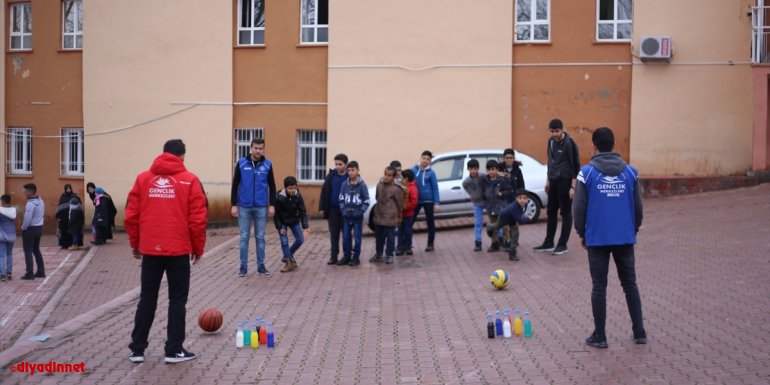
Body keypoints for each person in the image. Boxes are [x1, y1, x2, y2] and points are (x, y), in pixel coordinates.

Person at [126, 139, 207, 364]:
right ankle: (173, 350)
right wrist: (197, 248)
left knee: (147, 298)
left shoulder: (143, 179)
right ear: (182, 156)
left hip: (151, 250)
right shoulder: (190, 180)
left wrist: (136, 244)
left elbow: (131, 216)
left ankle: (137, 349)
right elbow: (198, 220)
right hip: (178, 250)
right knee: (177, 300)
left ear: (163, 154)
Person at [573, 127, 646, 348]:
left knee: (599, 286)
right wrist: (633, 229)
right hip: (624, 237)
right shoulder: (631, 172)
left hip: (597, 238)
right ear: (614, 144)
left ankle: (600, 335)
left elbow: (579, 207)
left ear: (594, 146)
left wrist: (581, 232)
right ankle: (639, 332)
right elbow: (638, 207)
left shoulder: (586, 174)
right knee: (630, 284)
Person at [534, 118, 580, 255]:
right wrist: (548, 180)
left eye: (557, 131)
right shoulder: (551, 141)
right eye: (552, 131)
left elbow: (576, 166)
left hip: (565, 181)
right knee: (551, 211)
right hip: (553, 180)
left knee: (565, 213)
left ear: (562, 129)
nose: (554, 134)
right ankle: (549, 242)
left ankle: (562, 244)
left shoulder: (570, 144)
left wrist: (572, 187)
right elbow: (550, 161)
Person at [231, 138, 276, 277]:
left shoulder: (267, 164)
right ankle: (243, 267)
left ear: (263, 149)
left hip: (261, 206)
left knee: (260, 237)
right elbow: (235, 184)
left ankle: (261, 266)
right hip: (244, 205)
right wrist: (233, 204)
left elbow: (272, 186)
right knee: (244, 237)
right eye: (255, 148)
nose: (258, 151)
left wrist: (272, 205)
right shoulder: (241, 163)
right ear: (251, 148)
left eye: (260, 148)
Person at [486, 189, 534, 261]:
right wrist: (528, 218)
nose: (522, 200)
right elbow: (520, 220)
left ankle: (512, 253)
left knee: (515, 234)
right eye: (520, 198)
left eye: (524, 198)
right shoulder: (514, 207)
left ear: (527, 199)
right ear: (516, 198)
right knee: (497, 226)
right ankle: (489, 226)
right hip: (504, 217)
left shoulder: (525, 204)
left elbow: (520, 215)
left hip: (513, 218)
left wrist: (517, 221)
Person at [274, 176, 310, 273]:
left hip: (294, 220)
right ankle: (288, 262)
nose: (292, 190)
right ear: (285, 188)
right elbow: (276, 214)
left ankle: (287, 256)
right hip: (282, 221)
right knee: (284, 241)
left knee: (300, 239)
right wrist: (280, 227)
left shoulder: (298, 196)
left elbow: (302, 211)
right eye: (290, 188)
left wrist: (305, 227)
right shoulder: (279, 197)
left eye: (294, 188)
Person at [338, 161, 369, 266]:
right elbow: (341, 199)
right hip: (346, 217)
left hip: (357, 217)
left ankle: (356, 258)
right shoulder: (344, 185)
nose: (351, 172)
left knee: (357, 237)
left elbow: (367, 201)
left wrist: (360, 211)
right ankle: (346, 256)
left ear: (358, 170)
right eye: (349, 170)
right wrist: (343, 210)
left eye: (353, 170)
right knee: (346, 237)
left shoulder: (362, 186)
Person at [319, 153, 348, 265]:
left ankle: (346, 256)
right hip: (333, 210)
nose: (337, 167)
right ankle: (333, 257)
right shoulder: (331, 176)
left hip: (346, 211)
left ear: (346, 164)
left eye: (340, 164)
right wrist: (322, 206)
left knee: (346, 235)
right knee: (334, 234)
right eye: (336, 164)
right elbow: (324, 191)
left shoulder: (349, 176)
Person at [370, 166, 404, 264]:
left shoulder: (396, 188)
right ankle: (378, 254)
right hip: (379, 215)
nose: (386, 177)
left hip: (390, 217)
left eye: (389, 175)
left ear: (393, 177)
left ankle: (389, 255)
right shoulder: (379, 185)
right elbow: (377, 197)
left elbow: (399, 203)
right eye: (385, 174)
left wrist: (397, 214)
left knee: (390, 237)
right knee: (379, 238)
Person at [411, 150, 439, 252]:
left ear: (430, 161)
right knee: (410, 221)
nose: (425, 161)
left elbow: (435, 188)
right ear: (420, 158)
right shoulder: (413, 170)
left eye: (428, 159)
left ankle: (430, 244)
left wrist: (436, 203)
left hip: (428, 200)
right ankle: (407, 243)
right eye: (424, 158)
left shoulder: (431, 173)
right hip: (416, 201)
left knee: (430, 222)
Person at [480, 160, 506, 252]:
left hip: (501, 207)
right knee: (493, 226)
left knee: (503, 225)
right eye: (489, 169)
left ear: (497, 170)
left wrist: (502, 194)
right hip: (490, 206)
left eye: (493, 169)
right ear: (487, 171)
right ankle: (494, 243)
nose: (491, 171)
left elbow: (507, 191)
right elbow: (482, 192)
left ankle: (506, 242)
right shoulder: (485, 181)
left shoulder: (502, 180)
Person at [20, 183, 45, 280]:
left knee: (28, 251)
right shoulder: (40, 201)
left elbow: (27, 219)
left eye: (25, 191)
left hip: (30, 229)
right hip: (39, 227)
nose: (24, 193)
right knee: (36, 249)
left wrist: (23, 227)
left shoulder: (30, 204)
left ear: (30, 192)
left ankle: (29, 273)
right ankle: (41, 271)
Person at [462, 159, 486, 252]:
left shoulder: (483, 176)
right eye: (471, 169)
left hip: (487, 201)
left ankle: (499, 238)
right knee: (478, 223)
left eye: (475, 169)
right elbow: (464, 186)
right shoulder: (467, 181)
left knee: (495, 218)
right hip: (477, 203)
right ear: (468, 169)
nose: (473, 171)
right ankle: (478, 242)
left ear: (478, 169)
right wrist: (471, 194)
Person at [396, 169, 418, 256]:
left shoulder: (412, 189)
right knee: (400, 231)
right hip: (401, 214)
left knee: (408, 231)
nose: (401, 179)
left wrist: (404, 207)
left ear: (407, 178)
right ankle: (400, 247)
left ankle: (408, 247)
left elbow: (414, 202)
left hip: (408, 214)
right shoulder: (402, 187)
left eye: (402, 178)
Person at [0, 195, 17, 281]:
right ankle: (9, 273)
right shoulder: (14, 210)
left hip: (2, 235)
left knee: (1, 255)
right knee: (9, 253)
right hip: (12, 234)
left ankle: (2, 274)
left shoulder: (0, 210)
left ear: (2, 201)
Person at [56, 184, 77, 249]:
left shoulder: (74, 196)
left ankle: (70, 244)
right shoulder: (63, 196)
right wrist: (58, 216)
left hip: (70, 216)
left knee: (70, 230)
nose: (68, 190)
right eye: (67, 189)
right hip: (63, 217)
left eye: (69, 189)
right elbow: (59, 206)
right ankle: (64, 244)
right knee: (63, 230)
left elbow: (77, 205)